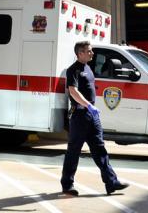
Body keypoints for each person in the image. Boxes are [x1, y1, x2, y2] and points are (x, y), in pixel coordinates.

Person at [60, 40, 129, 196]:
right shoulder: (73, 70)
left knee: (100, 149)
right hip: (79, 115)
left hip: (92, 116)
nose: (92, 53)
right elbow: (73, 91)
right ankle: (67, 185)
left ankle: (111, 183)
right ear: (80, 53)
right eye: (89, 51)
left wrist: (91, 109)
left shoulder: (88, 68)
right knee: (74, 151)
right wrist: (88, 105)